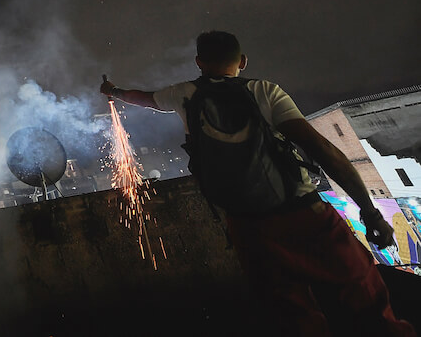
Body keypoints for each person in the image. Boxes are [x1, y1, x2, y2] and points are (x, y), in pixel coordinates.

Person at [99, 30, 415, 336]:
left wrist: (114, 91)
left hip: (247, 226)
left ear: (199, 62)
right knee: (364, 291)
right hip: (303, 213)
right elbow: (322, 149)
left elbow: (144, 99)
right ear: (243, 61)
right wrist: (370, 211)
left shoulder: (184, 94)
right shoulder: (264, 91)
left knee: (293, 317)